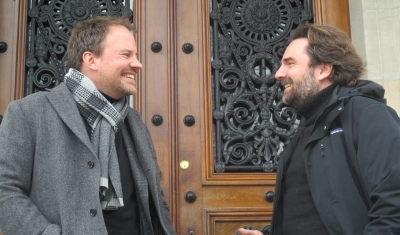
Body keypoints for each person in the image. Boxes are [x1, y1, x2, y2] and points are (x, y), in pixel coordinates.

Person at [0, 16, 176, 235]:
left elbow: (154, 199)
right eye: (126, 55)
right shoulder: (28, 113)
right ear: (90, 59)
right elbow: (4, 191)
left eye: (137, 55)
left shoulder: (133, 121)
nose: (138, 64)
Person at [238, 23, 400, 235]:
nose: (278, 73)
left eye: (290, 64)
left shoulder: (367, 115)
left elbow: (394, 208)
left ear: (324, 69)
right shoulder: (304, 131)